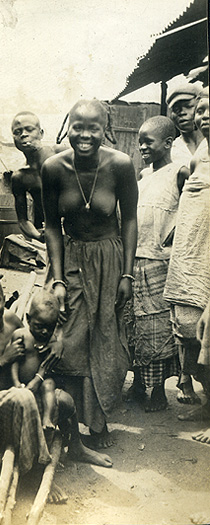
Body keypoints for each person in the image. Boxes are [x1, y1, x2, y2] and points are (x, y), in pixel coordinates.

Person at [42, 99, 138, 448]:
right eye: (77, 127)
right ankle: (65, 423)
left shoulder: (121, 165)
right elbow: (52, 225)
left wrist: (126, 275)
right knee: (66, 338)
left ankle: (97, 426)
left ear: (104, 130)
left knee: (103, 339)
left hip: (109, 261)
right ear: (68, 127)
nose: (84, 135)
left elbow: (129, 220)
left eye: (92, 128)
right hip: (68, 258)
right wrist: (57, 279)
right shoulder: (52, 167)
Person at [0, 273, 113, 478]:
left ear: (4, 299)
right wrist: (2, 360)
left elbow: (34, 341)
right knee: (24, 397)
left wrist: (55, 343)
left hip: (18, 399)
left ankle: (77, 447)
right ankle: (36, 470)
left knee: (64, 400)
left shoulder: (11, 320)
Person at [132, 116, 189, 412]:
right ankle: (140, 385)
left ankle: (159, 392)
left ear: (168, 143)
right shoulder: (143, 176)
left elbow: (192, 210)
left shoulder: (179, 172)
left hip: (161, 260)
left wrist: (174, 237)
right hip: (138, 257)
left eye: (148, 141)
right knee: (138, 325)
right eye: (140, 141)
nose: (142, 146)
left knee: (159, 328)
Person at [164, 87, 210, 442]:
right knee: (191, 328)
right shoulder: (196, 158)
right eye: (202, 110)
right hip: (190, 257)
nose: (202, 115)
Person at [11, 290, 60, 432]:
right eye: (39, 326)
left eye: (50, 328)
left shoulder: (51, 340)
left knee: (49, 384)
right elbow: (13, 362)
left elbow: (48, 365)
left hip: (41, 381)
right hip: (20, 380)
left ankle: (47, 418)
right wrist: (15, 382)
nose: (45, 331)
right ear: (28, 319)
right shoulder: (21, 335)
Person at [10, 112, 62, 242]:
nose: (23, 134)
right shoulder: (20, 177)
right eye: (17, 132)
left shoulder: (60, 153)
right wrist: (39, 236)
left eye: (29, 129)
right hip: (51, 235)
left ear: (41, 133)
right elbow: (22, 221)